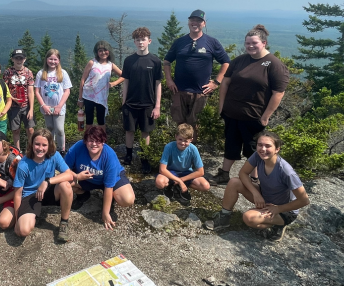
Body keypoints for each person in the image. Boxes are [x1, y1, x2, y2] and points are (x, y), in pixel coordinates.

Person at [211, 25, 290, 185]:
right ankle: (224, 174)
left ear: (264, 43)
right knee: (230, 143)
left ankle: (254, 178)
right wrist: (222, 107)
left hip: (254, 116)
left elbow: (278, 93)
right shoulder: (240, 60)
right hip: (232, 113)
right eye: (248, 43)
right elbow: (226, 82)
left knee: (253, 148)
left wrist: (266, 116)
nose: (250, 46)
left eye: (254, 43)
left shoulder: (274, 65)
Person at [205, 131, 310, 242]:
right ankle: (224, 218)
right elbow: (243, 173)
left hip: (284, 210)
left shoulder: (286, 172)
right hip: (265, 197)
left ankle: (278, 224)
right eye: (260, 145)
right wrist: (256, 194)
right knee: (234, 182)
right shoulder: (258, 156)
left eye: (268, 146)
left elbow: (304, 200)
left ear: (277, 149)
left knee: (249, 218)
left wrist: (278, 208)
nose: (262, 149)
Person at [163, 10, 230, 141]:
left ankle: (192, 150)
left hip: (200, 91)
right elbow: (167, 61)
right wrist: (169, 80)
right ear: (188, 22)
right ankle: (180, 149)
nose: (195, 23)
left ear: (204, 24)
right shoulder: (180, 42)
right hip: (179, 89)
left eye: (199, 21)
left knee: (195, 123)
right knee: (180, 122)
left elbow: (226, 62)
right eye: (192, 20)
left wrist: (216, 82)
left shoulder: (211, 42)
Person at [65, 126, 135, 230]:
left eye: (98, 141)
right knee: (63, 184)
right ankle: (83, 195)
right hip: (86, 178)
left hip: (109, 180)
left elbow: (109, 185)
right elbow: (64, 169)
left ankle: (110, 199)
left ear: (103, 142)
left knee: (127, 199)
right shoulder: (78, 147)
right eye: (90, 140)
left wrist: (105, 213)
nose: (94, 144)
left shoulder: (109, 155)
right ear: (85, 141)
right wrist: (76, 176)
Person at [13, 128, 74, 243]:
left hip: (48, 190)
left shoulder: (54, 155)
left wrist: (47, 181)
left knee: (66, 185)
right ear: (31, 144)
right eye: (37, 144)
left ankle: (64, 222)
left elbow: (69, 175)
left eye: (44, 145)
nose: (40, 148)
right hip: (30, 195)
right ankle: (30, 217)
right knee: (23, 231)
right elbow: (17, 194)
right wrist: (17, 220)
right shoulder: (23, 164)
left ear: (49, 145)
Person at [121, 27, 162, 174]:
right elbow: (126, 82)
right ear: (134, 42)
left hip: (148, 104)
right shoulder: (129, 60)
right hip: (131, 103)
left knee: (146, 132)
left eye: (143, 39)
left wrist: (157, 106)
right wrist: (123, 102)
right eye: (137, 40)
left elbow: (158, 84)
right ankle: (128, 155)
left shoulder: (155, 61)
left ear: (149, 41)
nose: (140, 42)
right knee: (129, 131)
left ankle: (145, 158)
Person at [154, 124, 210, 206]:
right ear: (176, 136)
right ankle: (171, 185)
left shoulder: (193, 149)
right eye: (180, 139)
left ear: (191, 140)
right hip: (170, 172)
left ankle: (177, 186)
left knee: (205, 186)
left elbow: (201, 172)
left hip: (186, 172)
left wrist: (182, 179)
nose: (183, 143)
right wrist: (180, 181)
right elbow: (162, 169)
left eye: (186, 141)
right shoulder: (169, 147)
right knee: (160, 182)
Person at [77, 41, 124, 131]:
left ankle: (102, 141)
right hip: (88, 95)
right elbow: (83, 80)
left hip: (102, 97)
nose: (103, 53)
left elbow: (124, 75)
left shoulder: (111, 65)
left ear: (109, 51)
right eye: (100, 51)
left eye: (105, 50)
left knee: (101, 120)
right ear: (97, 52)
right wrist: (80, 98)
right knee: (89, 120)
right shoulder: (92, 63)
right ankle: (88, 140)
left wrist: (114, 83)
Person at [34, 49, 72, 155]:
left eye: (55, 59)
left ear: (59, 60)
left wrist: (59, 106)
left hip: (59, 106)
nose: (53, 61)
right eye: (50, 59)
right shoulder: (41, 73)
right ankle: (51, 148)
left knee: (59, 129)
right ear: (46, 59)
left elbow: (67, 90)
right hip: (46, 106)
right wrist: (43, 105)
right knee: (49, 128)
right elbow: (37, 91)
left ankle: (62, 149)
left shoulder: (62, 73)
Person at [4, 49, 36, 150]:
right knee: (15, 130)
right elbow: (4, 89)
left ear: (24, 59)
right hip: (13, 106)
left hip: (26, 106)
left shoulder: (28, 72)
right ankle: (17, 151)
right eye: (16, 58)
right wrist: (13, 98)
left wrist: (31, 109)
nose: (19, 60)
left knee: (30, 129)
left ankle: (31, 149)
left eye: (21, 58)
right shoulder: (7, 72)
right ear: (12, 59)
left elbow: (31, 91)